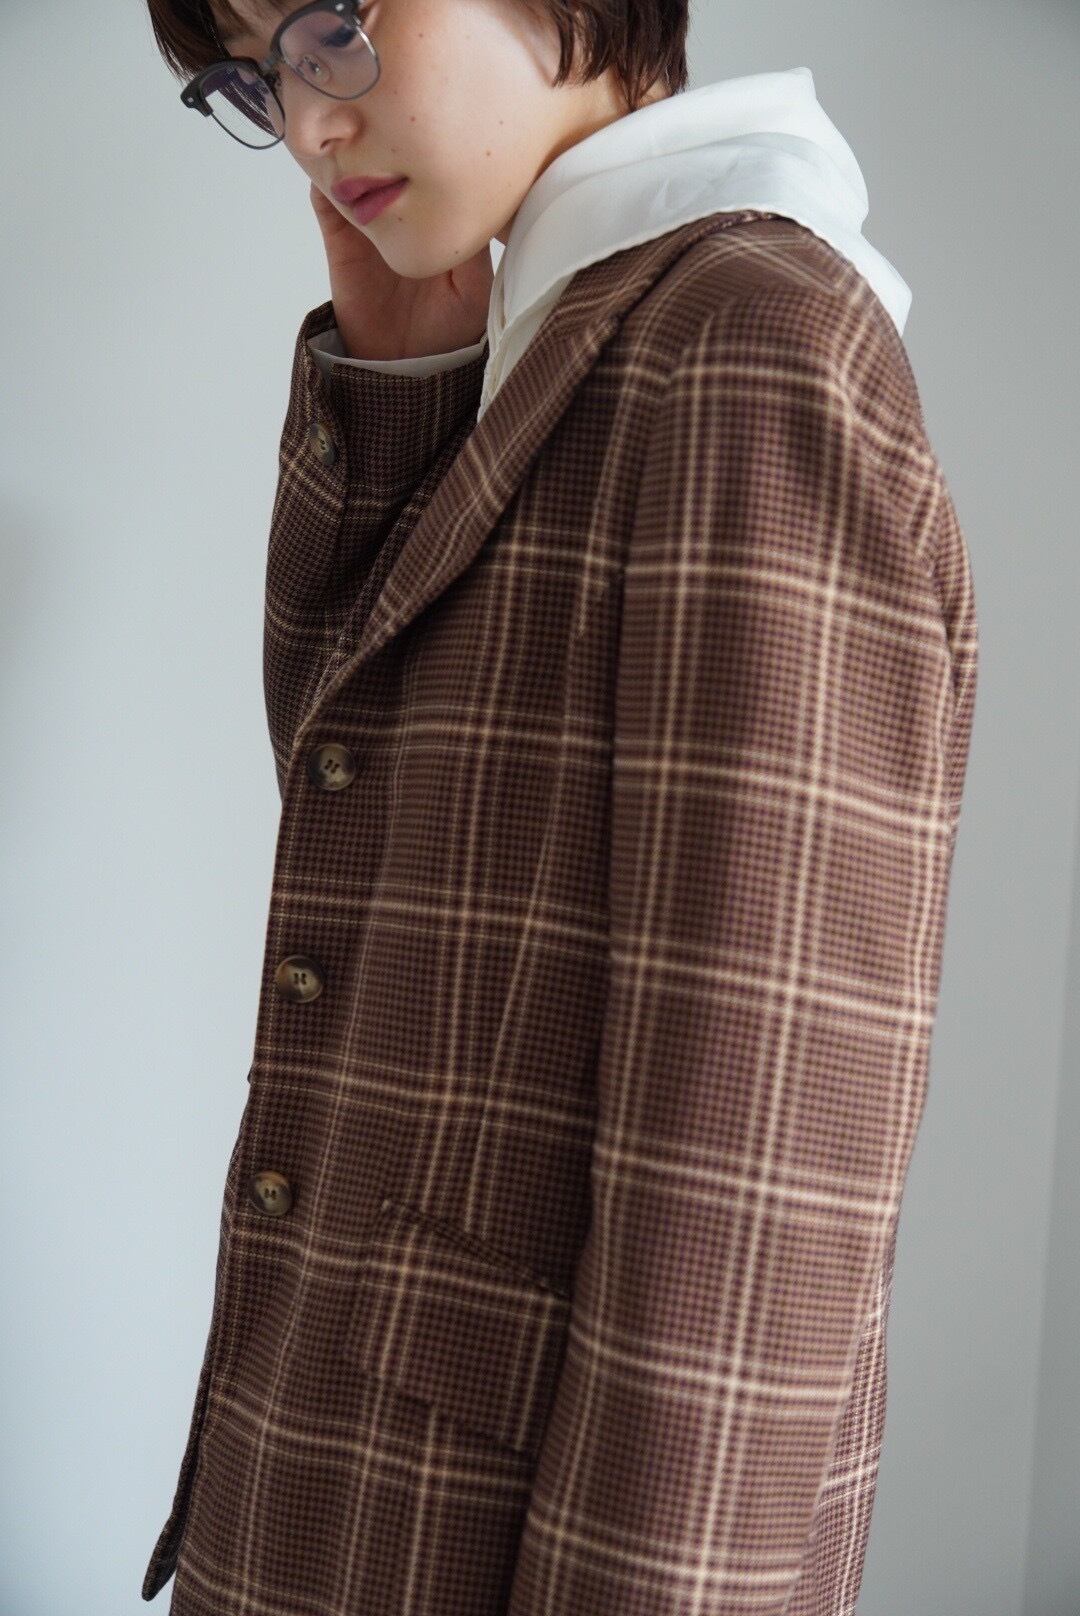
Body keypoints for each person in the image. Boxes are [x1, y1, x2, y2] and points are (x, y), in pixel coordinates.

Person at [139, 2, 979, 1613]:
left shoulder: (748, 345)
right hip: (351, 1482)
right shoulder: (583, 322)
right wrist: (409, 383)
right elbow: (359, 819)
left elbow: (750, 1194)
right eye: (252, 78)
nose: (307, 126)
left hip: (494, 1536)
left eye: (331, 26)